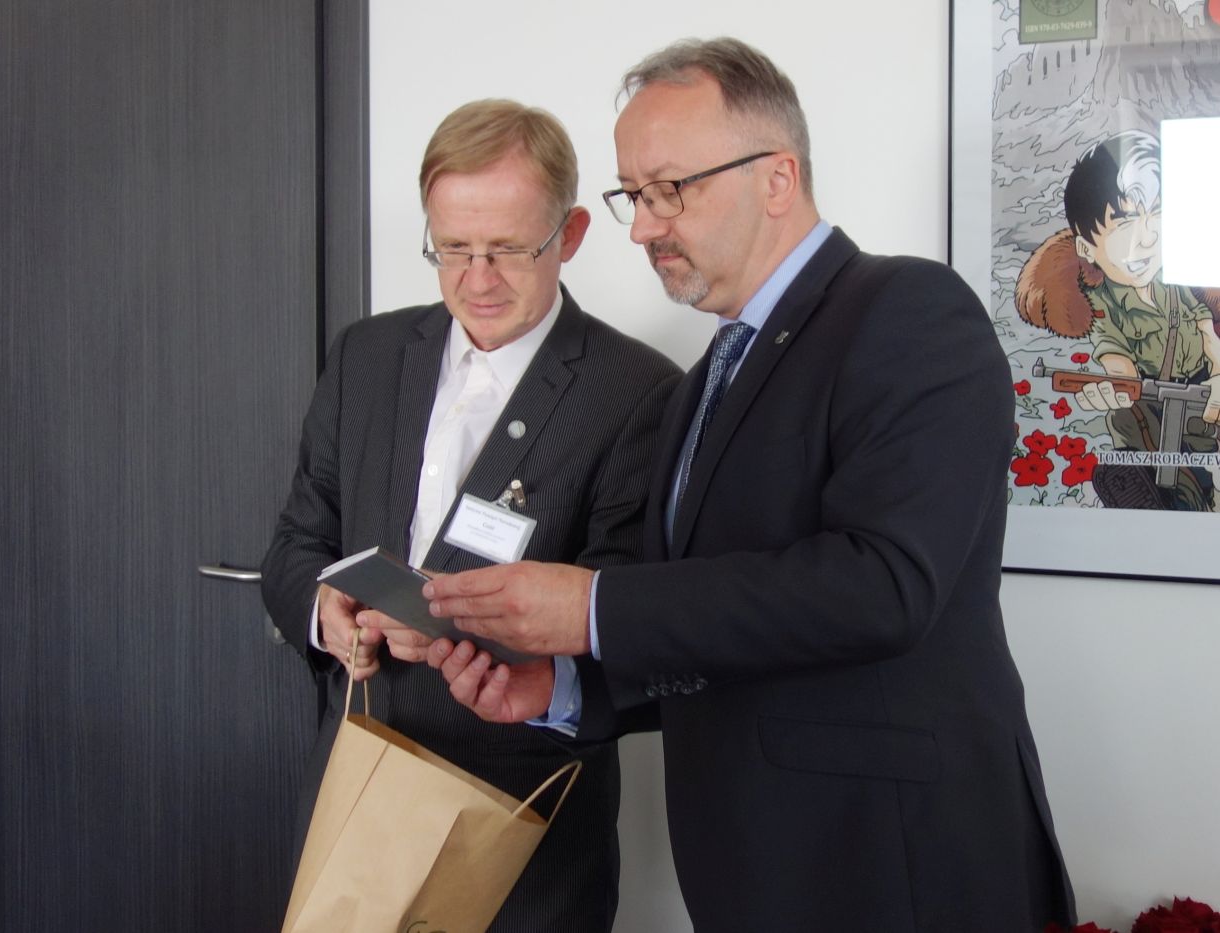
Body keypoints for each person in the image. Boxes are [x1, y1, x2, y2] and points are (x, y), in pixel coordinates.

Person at [419, 39, 1077, 931]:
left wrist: (594, 608)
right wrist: (565, 688)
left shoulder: (910, 309)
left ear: (778, 178)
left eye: (668, 190)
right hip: (756, 879)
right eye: (632, 196)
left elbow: (883, 585)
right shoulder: (698, 385)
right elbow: (719, 634)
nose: (643, 228)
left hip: (896, 869)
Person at [260, 98, 679, 932]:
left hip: (521, 836)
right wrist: (326, 610)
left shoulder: (640, 392)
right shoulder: (366, 355)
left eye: (507, 249)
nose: (477, 279)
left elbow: (632, 620)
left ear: (569, 235)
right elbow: (297, 543)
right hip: (355, 805)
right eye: (452, 248)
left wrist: (464, 633)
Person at [1015, 130, 1220, 511]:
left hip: (1200, 408)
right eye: (1126, 223)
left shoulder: (1178, 280)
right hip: (1145, 419)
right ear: (1085, 247)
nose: (1147, 238)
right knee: (1159, 488)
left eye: (1158, 214)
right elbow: (1115, 358)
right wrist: (1116, 387)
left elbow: (1206, 329)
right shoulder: (1101, 300)